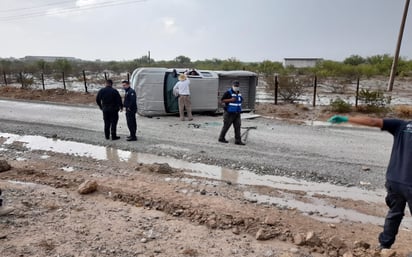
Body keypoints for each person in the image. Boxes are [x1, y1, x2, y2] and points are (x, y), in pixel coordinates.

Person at [328, 115, 412, 251]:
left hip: (395, 180)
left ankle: (384, 245)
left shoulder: (401, 125)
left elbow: (373, 121)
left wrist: (346, 119)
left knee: (394, 213)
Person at [218, 80, 245, 145]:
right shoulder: (228, 92)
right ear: (232, 86)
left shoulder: (239, 92)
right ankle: (221, 138)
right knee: (226, 126)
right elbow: (221, 101)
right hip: (229, 113)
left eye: (237, 86)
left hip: (237, 113)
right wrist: (230, 100)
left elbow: (240, 100)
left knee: (238, 126)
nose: (236, 87)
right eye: (235, 86)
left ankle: (238, 140)